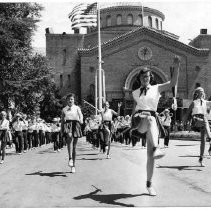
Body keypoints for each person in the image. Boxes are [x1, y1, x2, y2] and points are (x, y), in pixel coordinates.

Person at [131, 56, 180, 196]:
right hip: (140, 121)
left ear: (150, 77)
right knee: (150, 119)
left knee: (150, 156)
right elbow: (134, 109)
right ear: (139, 79)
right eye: (142, 77)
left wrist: (176, 67)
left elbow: (173, 82)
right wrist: (133, 123)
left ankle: (149, 184)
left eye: (147, 76)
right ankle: (157, 148)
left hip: (152, 121)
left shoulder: (157, 88)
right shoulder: (134, 93)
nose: (145, 78)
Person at [183, 87, 211, 167]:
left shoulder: (206, 102)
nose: (202, 93)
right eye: (200, 92)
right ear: (197, 93)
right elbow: (188, 113)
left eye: (203, 92)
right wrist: (184, 122)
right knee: (205, 123)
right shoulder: (194, 102)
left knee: (203, 141)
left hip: (203, 120)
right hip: (195, 120)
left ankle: (201, 159)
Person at [61, 93, 83, 173]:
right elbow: (62, 121)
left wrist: (81, 120)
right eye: (69, 99)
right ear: (67, 100)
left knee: (74, 147)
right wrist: (61, 130)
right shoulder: (64, 109)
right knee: (69, 137)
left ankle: (73, 165)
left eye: (72, 99)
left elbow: (81, 115)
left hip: (76, 124)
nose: (70, 100)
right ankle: (70, 158)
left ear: (74, 100)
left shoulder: (77, 108)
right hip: (68, 124)